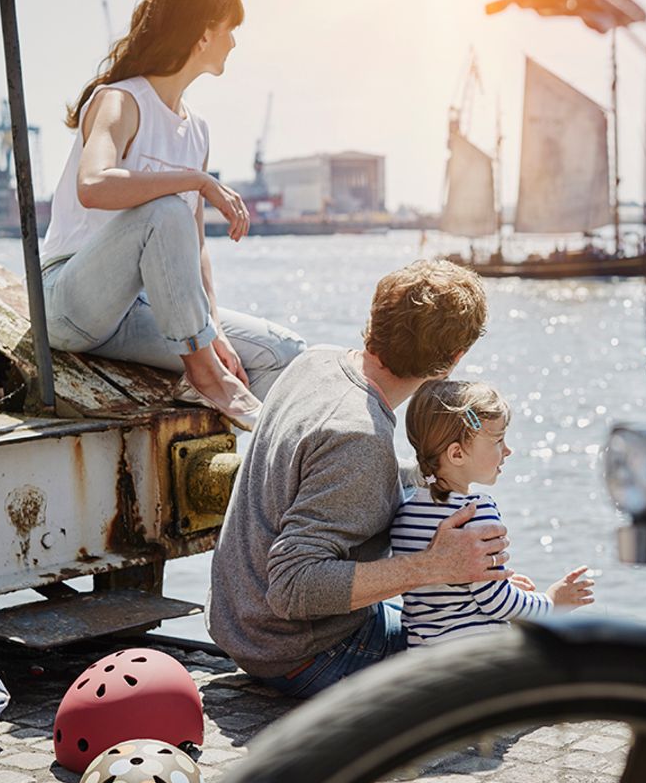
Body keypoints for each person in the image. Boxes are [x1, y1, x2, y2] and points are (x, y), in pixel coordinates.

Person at [207, 259, 506, 696]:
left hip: (239, 623)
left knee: (488, 615)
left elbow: (336, 478)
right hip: (300, 652)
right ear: (453, 361)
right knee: (504, 653)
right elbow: (291, 587)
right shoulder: (359, 437)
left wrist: (433, 480)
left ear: (376, 319)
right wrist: (434, 566)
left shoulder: (315, 363)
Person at [37, 0, 304, 429]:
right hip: (69, 301)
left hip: (139, 312)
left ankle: (266, 488)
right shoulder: (119, 101)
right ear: (203, 35)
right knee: (164, 210)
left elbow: (195, 249)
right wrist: (196, 180)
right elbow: (93, 184)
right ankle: (204, 375)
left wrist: (214, 328)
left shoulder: (197, 130)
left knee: (285, 355)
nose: (234, 44)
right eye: (229, 31)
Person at [391, 380, 594, 647]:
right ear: (457, 454)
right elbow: (497, 602)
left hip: (426, 660)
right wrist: (552, 601)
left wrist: (500, 581)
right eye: (498, 440)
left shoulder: (404, 511)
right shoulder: (474, 513)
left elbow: (444, 594)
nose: (507, 450)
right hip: (472, 660)